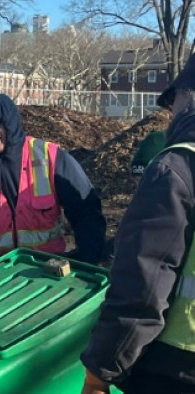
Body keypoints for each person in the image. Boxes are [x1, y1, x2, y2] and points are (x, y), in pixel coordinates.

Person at [81, 56, 195, 394]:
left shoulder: (179, 168)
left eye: (172, 105)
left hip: (172, 366)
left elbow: (143, 284)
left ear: (187, 100)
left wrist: (99, 372)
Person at [0, 93, 106, 288]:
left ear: (11, 122)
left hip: (49, 273)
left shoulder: (50, 157)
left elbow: (86, 213)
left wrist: (88, 259)